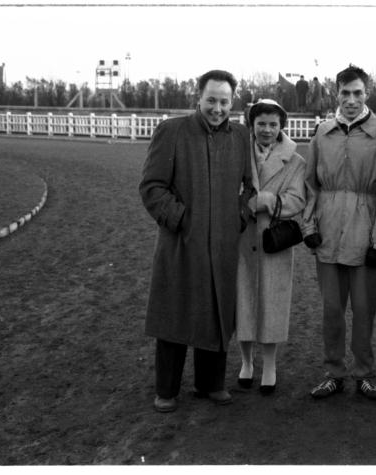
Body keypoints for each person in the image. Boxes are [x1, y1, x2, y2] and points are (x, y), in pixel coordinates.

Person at [140, 69, 255, 412]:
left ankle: (211, 384)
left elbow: (249, 188)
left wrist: (238, 216)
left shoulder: (240, 135)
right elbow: (151, 187)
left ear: (231, 102)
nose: (217, 108)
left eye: (224, 101)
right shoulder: (172, 131)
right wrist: (182, 220)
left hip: (222, 243)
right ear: (198, 99)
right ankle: (167, 389)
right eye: (211, 100)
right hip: (181, 242)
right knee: (174, 313)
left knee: (217, 310)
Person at [302, 64, 376, 401]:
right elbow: (310, 185)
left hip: (366, 236)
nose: (351, 100)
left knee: (363, 310)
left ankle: (363, 373)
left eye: (357, 93)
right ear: (336, 94)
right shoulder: (323, 132)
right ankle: (334, 372)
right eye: (345, 93)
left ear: (367, 94)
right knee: (331, 310)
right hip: (328, 235)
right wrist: (309, 224)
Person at [235, 99, 306, 395]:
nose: (267, 130)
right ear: (252, 125)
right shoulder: (238, 154)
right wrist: (241, 202)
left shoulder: (296, 161)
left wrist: (266, 201)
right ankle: (246, 363)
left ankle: (270, 365)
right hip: (241, 239)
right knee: (243, 302)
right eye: (261, 123)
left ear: (282, 126)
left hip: (274, 240)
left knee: (271, 304)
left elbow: (298, 200)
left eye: (273, 124)